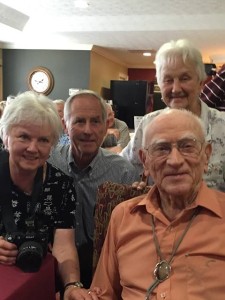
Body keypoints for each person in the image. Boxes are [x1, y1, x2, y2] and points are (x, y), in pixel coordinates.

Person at [91, 108, 225, 300]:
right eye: (161, 149)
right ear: (144, 161)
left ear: (206, 156)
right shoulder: (124, 216)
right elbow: (102, 294)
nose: (175, 160)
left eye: (187, 146)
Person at [0, 91, 99, 300]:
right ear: (5, 136)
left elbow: (64, 245)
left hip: (35, 282)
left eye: (43, 140)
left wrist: (72, 285)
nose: (33, 148)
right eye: (24, 136)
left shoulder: (60, 185)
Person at [48, 90, 140, 288]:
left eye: (96, 121)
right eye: (79, 121)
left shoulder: (124, 172)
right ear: (65, 125)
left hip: (106, 275)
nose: (88, 130)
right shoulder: (49, 163)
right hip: (51, 270)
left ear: (107, 125)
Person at [121, 39, 225, 191]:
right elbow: (125, 167)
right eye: (168, 80)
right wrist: (137, 183)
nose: (175, 89)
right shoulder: (148, 124)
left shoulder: (221, 126)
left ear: (200, 82)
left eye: (184, 78)